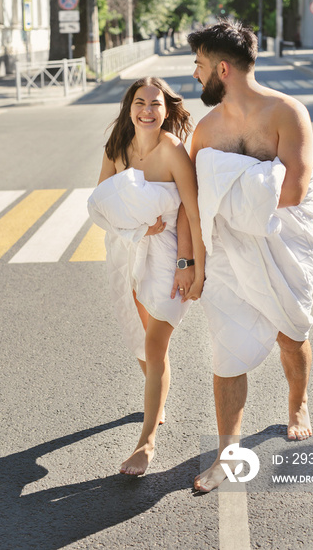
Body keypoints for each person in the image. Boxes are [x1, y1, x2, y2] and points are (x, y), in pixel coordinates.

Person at [187, 20, 313, 493]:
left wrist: (234, 194)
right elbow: (196, 204)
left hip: (282, 246)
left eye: (200, 66)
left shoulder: (286, 113)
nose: (196, 75)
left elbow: (294, 190)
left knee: (291, 332)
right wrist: (192, 265)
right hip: (227, 256)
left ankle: (297, 401)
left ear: (223, 68)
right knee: (226, 356)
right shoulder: (204, 132)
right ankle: (227, 454)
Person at [88, 76, 205, 477]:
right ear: (130, 107)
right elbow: (100, 205)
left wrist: (188, 263)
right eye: (141, 102)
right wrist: (135, 228)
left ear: (167, 110)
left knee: (155, 346)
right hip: (128, 252)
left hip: (170, 256)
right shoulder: (116, 148)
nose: (148, 110)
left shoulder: (173, 150)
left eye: (156, 104)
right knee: (146, 346)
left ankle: (146, 444)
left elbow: (191, 208)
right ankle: (159, 401)